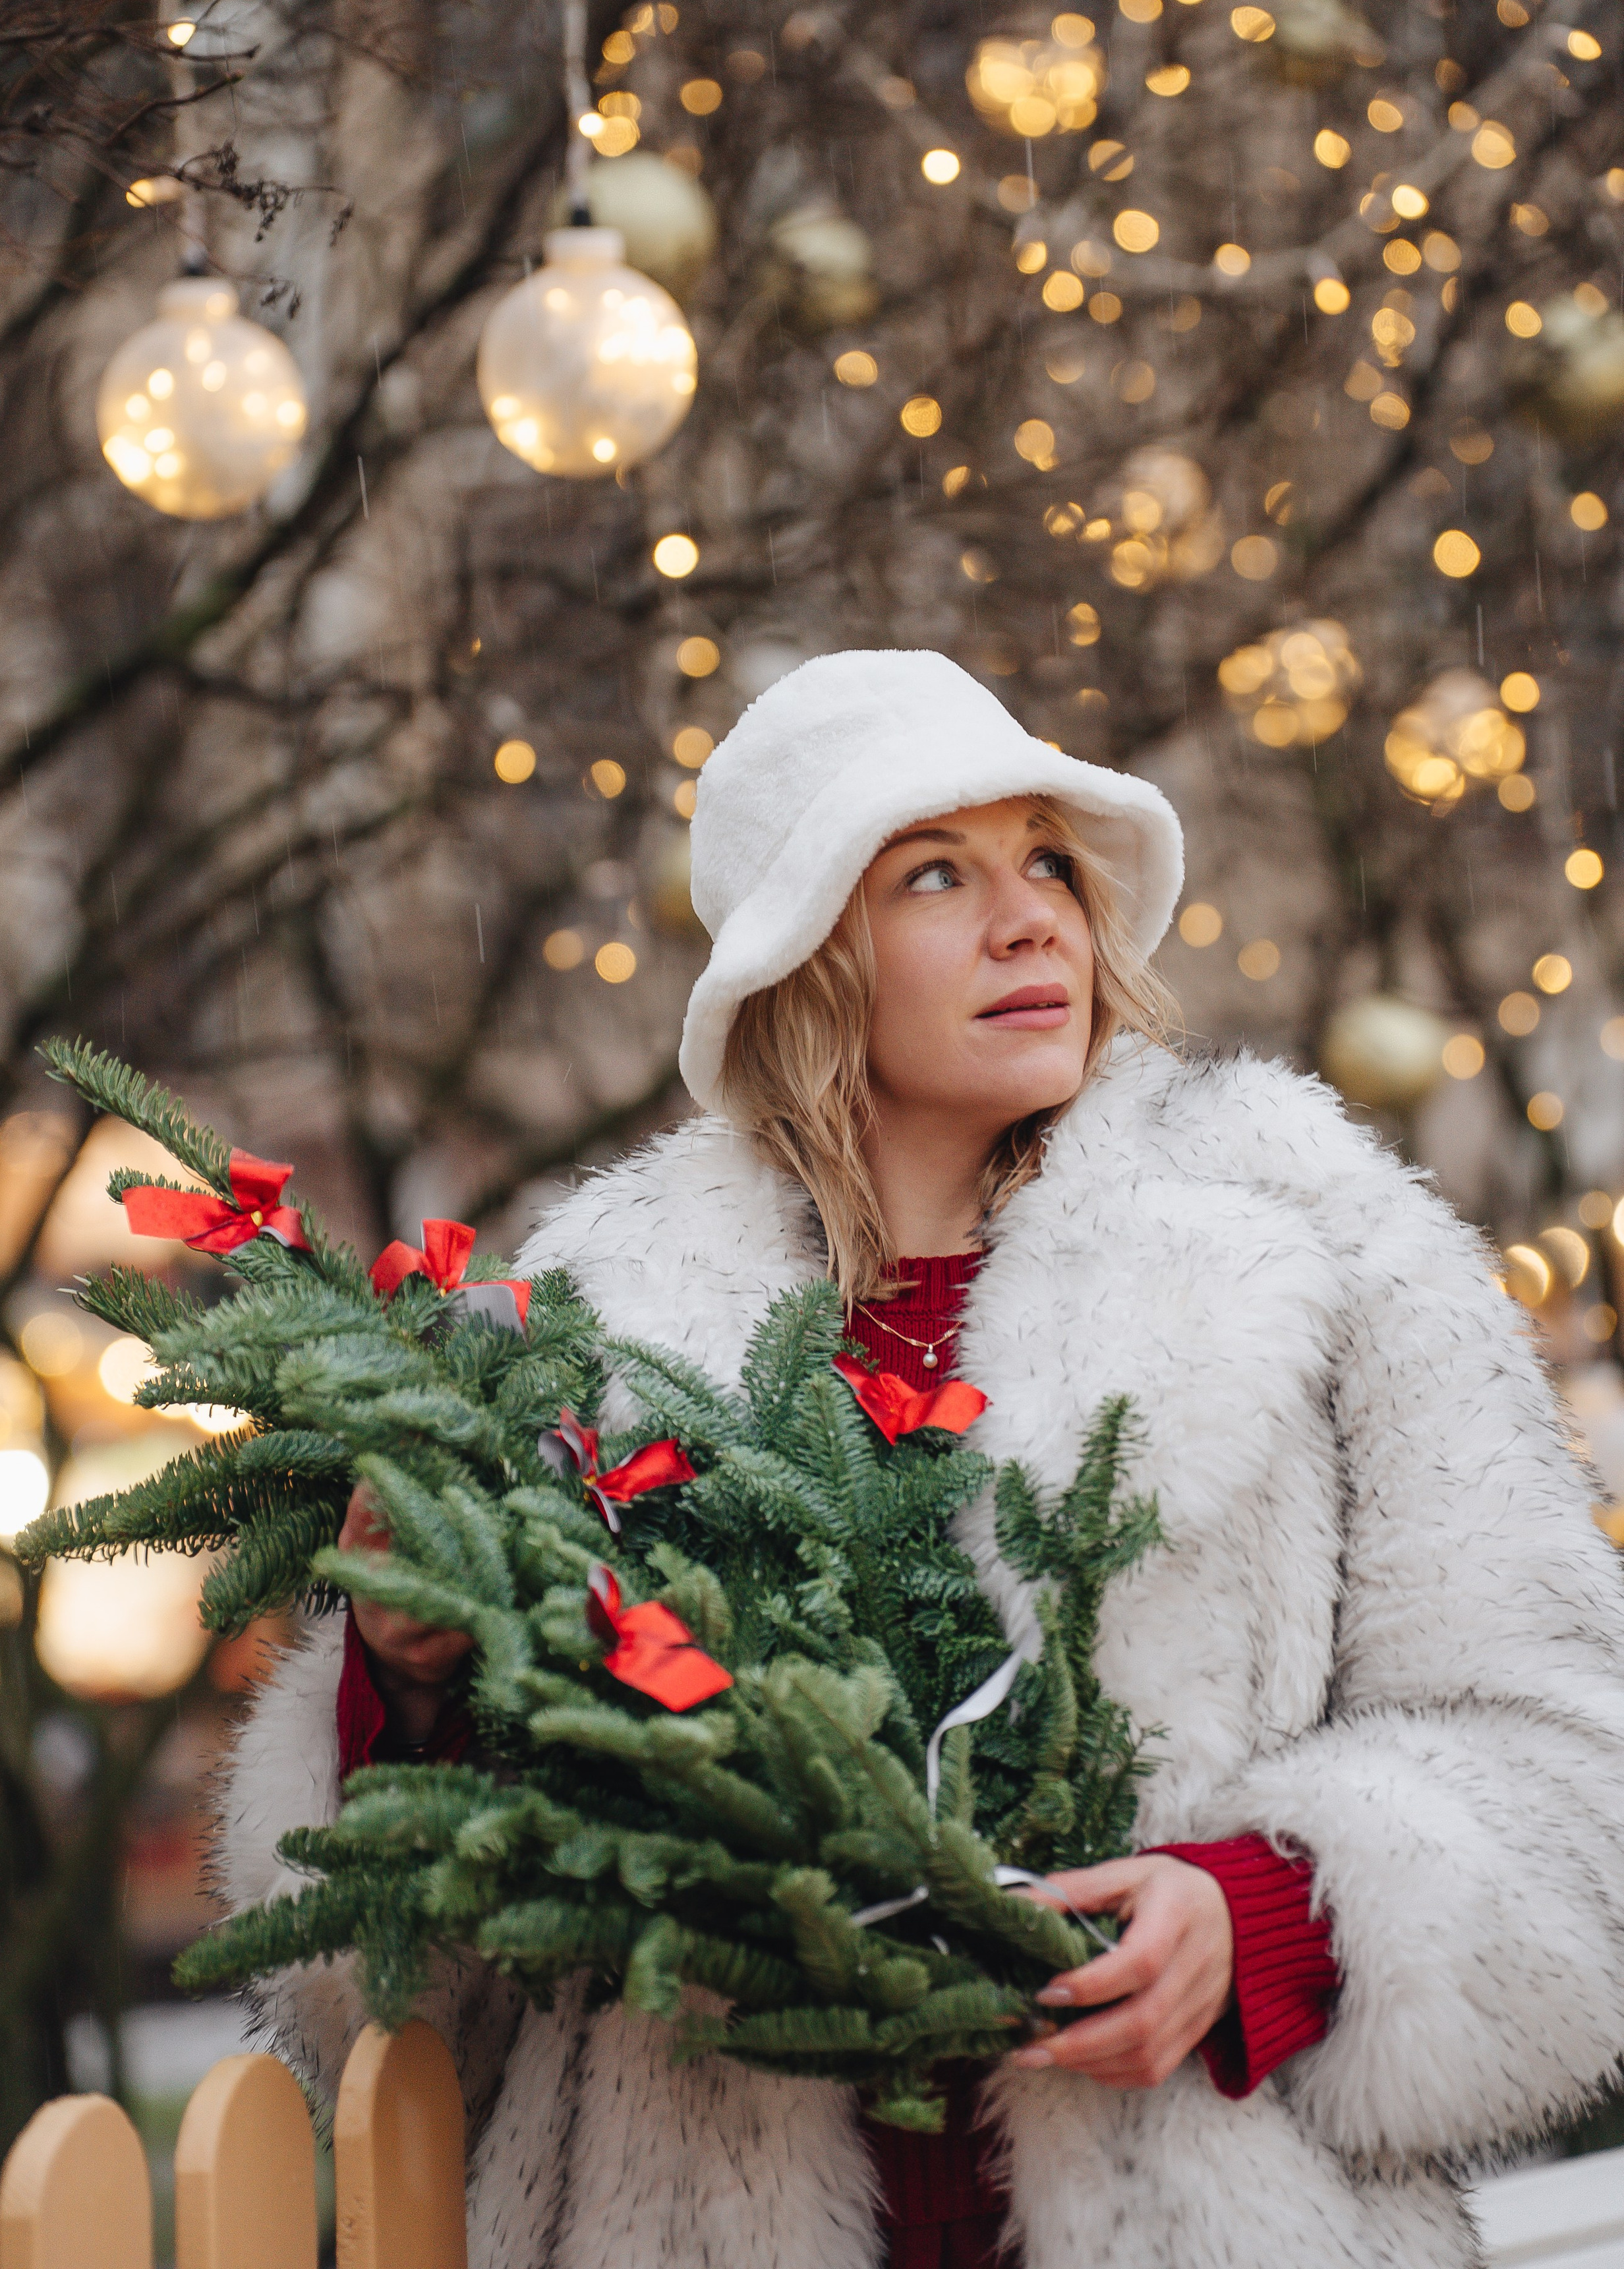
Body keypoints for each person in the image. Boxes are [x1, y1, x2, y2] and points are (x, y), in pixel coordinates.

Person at [220, 650, 1624, 2269]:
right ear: (806, 955)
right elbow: (401, 1997)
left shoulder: (1318, 1247)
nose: (1030, 921)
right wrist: (405, 1686)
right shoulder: (593, 1340)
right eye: (934, 876)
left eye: (1048, 863)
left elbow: (1569, 1773)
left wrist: (1265, 1912)